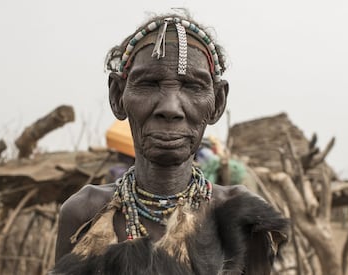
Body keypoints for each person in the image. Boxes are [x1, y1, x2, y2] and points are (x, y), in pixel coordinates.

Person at [52, 13, 288, 275]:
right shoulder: (85, 213)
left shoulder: (242, 217)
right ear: (118, 96)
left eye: (192, 86)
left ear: (218, 102)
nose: (170, 107)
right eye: (149, 84)